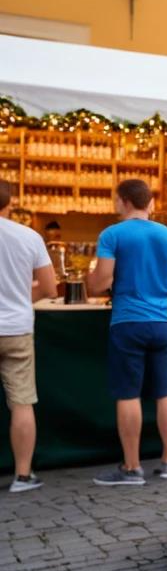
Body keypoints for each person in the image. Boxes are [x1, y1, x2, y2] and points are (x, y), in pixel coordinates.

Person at [85, 179, 167, 485]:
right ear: (148, 202)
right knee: (166, 391)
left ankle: (132, 467)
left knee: (128, 393)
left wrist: (91, 280)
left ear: (125, 201)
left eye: (116, 201)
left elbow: (100, 283)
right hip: (163, 322)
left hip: (128, 321)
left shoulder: (112, 234)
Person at [0, 180, 57, 492]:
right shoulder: (28, 236)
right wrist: (19, 299)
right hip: (17, 328)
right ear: (10, 203)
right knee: (22, 402)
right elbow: (49, 288)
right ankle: (23, 476)